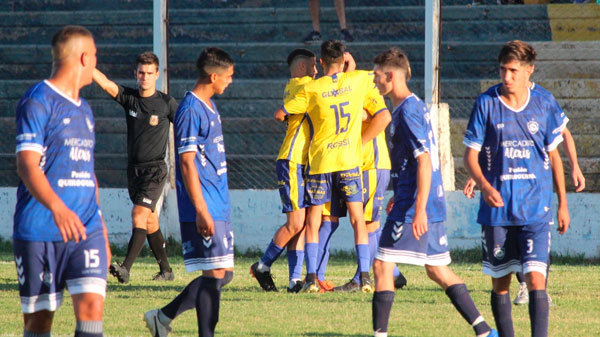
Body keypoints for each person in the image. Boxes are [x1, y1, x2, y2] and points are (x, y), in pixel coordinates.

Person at [371, 47, 497, 337]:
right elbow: (416, 163)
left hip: (417, 205)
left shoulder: (408, 111)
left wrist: (418, 210)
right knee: (437, 270)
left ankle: (380, 335)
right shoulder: (412, 106)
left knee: (381, 265)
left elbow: (424, 160)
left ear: (390, 75)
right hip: (424, 201)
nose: (374, 82)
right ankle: (484, 331)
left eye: (377, 76)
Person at [463, 40, 570, 337]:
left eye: (512, 70)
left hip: (536, 209)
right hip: (497, 211)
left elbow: (554, 155)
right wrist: (484, 185)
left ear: (528, 71)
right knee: (501, 283)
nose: (506, 76)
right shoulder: (486, 103)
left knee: (537, 280)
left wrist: (563, 203)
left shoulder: (544, 102)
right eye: (502, 70)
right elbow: (469, 156)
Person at [13, 25, 110, 337]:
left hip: (85, 227)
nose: (96, 62)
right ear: (84, 58)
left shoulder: (85, 109)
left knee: (92, 309)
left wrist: (101, 226)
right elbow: (27, 165)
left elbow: (88, 172)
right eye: (95, 56)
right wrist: (56, 207)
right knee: (40, 323)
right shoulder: (37, 101)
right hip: (41, 228)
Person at [276, 40, 391, 293]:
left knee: (314, 220)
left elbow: (281, 112)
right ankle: (365, 277)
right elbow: (381, 77)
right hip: (350, 162)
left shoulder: (313, 88)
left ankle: (311, 278)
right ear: (344, 60)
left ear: (321, 60)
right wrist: (351, 67)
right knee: (359, 220)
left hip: (322, 163)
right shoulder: (358, 80)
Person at [144, 47, 235, 337]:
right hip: (205, 204)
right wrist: (201, 210)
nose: (230, 81)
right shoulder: (190, 109)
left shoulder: (208, 105)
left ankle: (162, 316)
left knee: (224, 274)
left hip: (217, 203)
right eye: (228, 76)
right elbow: (186, 162)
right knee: (213, 277)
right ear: (213, 75)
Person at [93, 51, 177, 283]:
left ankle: (126, 268)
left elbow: (185, 125)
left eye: (150, 73)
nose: (145, 77)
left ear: (157, 74)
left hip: (155, 170)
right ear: (136, 74)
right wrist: (88, 66)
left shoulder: (166, 103)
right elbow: (108, 85)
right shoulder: (130, 99)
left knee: (139, 214)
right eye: (141, 72)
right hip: (134, 171)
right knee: (150, 221)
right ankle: (166, 270)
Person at [250, 48, 317, 293]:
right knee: (295, 222)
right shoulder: (306, 87)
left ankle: (294, 280)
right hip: (292, 160)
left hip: (302, 161)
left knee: (302, 222)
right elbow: (280, 114)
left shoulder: (294, 85)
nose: (317, 71)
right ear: (302, 69)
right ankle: (263, 266)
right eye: (313, 67)